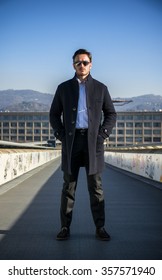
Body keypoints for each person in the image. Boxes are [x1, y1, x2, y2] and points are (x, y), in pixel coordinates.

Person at [49, 49, 116, 241]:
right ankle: (64, 227)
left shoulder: (101, 88)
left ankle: (100, 227)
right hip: (71, 142)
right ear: (73, 65)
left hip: (93, 143)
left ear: (91, 64)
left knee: (96, 187)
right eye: (78, 62)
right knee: (68, 187)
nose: (82, 65)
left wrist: (102, 134)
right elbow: (54, 114)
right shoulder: (63, 88)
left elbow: (111, 114)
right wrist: (61, 134)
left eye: (85, 62)